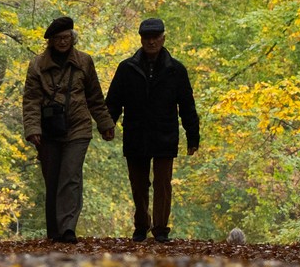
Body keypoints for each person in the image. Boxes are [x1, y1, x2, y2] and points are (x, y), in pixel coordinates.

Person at [105, 17, 200, 242]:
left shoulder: (176, 70)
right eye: (147, 38)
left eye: (155, 37)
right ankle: (141, 226)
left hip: (164, 135)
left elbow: (187, 105)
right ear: (141, 39)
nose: (151, 42)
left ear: (163, 38)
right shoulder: (126, 68)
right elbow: (113, 101)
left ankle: (160, 229)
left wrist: (192, 136)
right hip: (135, 134)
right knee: (138, 184)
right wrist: (108, 125)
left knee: (162, 184)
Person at [22, 15, 114, 243]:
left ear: (72, 38)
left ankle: (68, 229)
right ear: (50, 41)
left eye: (66, 37)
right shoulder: (37, 66)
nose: (63, 42)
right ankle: (54, 231)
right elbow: (31, 100)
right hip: (48, 129)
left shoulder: (84, 62)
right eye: (58, 38)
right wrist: (33, 129)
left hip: (78, 127)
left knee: (70, 175)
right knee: (52, 177)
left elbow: (95, 97)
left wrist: (105, 124)